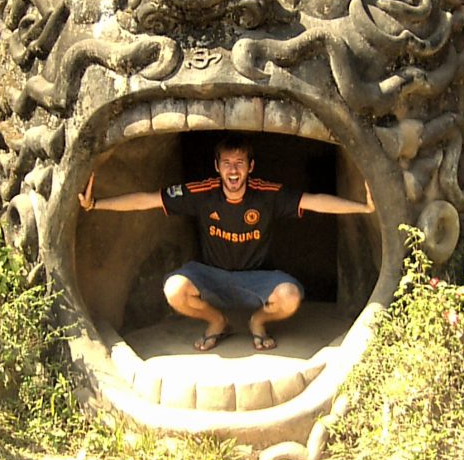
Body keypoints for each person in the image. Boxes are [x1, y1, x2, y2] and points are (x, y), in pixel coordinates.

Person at [79, 132, 374, 352]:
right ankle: (217, 322)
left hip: (256, 278)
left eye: (240, 163)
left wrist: (362, 207)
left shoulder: (266, 194)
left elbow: (314, 202)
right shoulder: (203, 192)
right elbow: (147, 200)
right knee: (174, 289)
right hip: (211, 275)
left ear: (251, 166)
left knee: (290, 296)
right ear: (217, 167)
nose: (234, 171)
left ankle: (257, 322)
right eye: (227, 164)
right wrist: (97, 204)